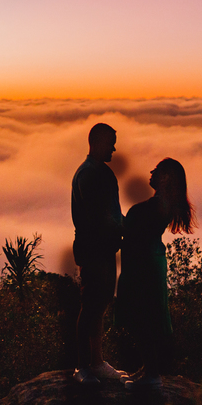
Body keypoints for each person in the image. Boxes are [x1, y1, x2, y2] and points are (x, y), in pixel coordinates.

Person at [116, 157, 194, 391]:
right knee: (147, 316)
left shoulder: (154, 207)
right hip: (149, 262)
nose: (151, 172)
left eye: (157, 170)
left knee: (142, 317)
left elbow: (133, 234)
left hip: (143, 266)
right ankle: (149, 368)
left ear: (167, 177)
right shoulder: (162, 205)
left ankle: (152, 373)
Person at [71, 122, 126, 386]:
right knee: (91, 306)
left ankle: (96, 361)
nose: (114, 148)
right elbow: (99, 217)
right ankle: (82, 366)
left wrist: (127, 227)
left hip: (104, 250)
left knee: (100, 306)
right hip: (93, 251)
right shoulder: (88, 175)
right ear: (97, 142)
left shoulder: (101, 173)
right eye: (111, 143)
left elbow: (113, 214)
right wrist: (122, 228)